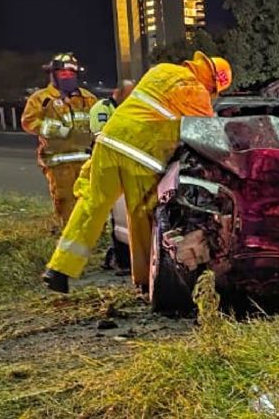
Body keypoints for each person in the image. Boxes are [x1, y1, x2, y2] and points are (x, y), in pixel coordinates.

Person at [42, 52, 233, 293]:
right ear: (213, 83)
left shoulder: (161, 70)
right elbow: (210, 137)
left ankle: (59, 270)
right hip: (141, 156)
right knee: (142, 217)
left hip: (109, 142)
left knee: (92, 205)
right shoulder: (197, 92)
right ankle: (145, 281)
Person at [22, 53, 98, 224]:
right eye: (63, 73)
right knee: (66, 203)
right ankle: (71, 235)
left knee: (91, 200)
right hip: (58, 163)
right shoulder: (41, 99)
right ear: (53, 75)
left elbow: (97, 122)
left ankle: (95, 234)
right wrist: (60, 130)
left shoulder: (88, 98)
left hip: (87, 161)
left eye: (71, 74)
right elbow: (29, 122)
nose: (68, 77)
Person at [89, 80, 135, 273]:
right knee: (116, 213)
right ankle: (120, 260)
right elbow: (102, 136)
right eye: (129, 93)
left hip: (126, 164)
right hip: (107, 165)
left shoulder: (132, 109)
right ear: (118, 92)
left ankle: (118, 256)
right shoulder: (103, 108)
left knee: (122, 214)